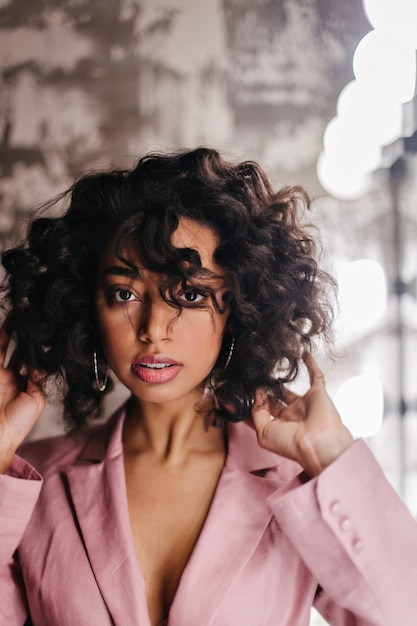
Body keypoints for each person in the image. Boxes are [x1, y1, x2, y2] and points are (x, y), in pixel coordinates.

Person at [0, 147, 416, 626]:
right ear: (86, 306)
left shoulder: (296, 483)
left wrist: (330, 455)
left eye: (191, 294)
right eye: (125, 293)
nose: (154, 328)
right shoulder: (33, 484)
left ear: (239, 309)